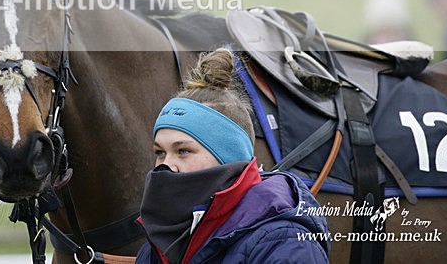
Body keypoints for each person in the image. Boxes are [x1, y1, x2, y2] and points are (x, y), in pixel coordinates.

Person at [135, 48, 330, 264]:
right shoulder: (157, 244)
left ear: (228, 159)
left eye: (183, 151)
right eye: (160, 152)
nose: (166, 165)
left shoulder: (286, 244)